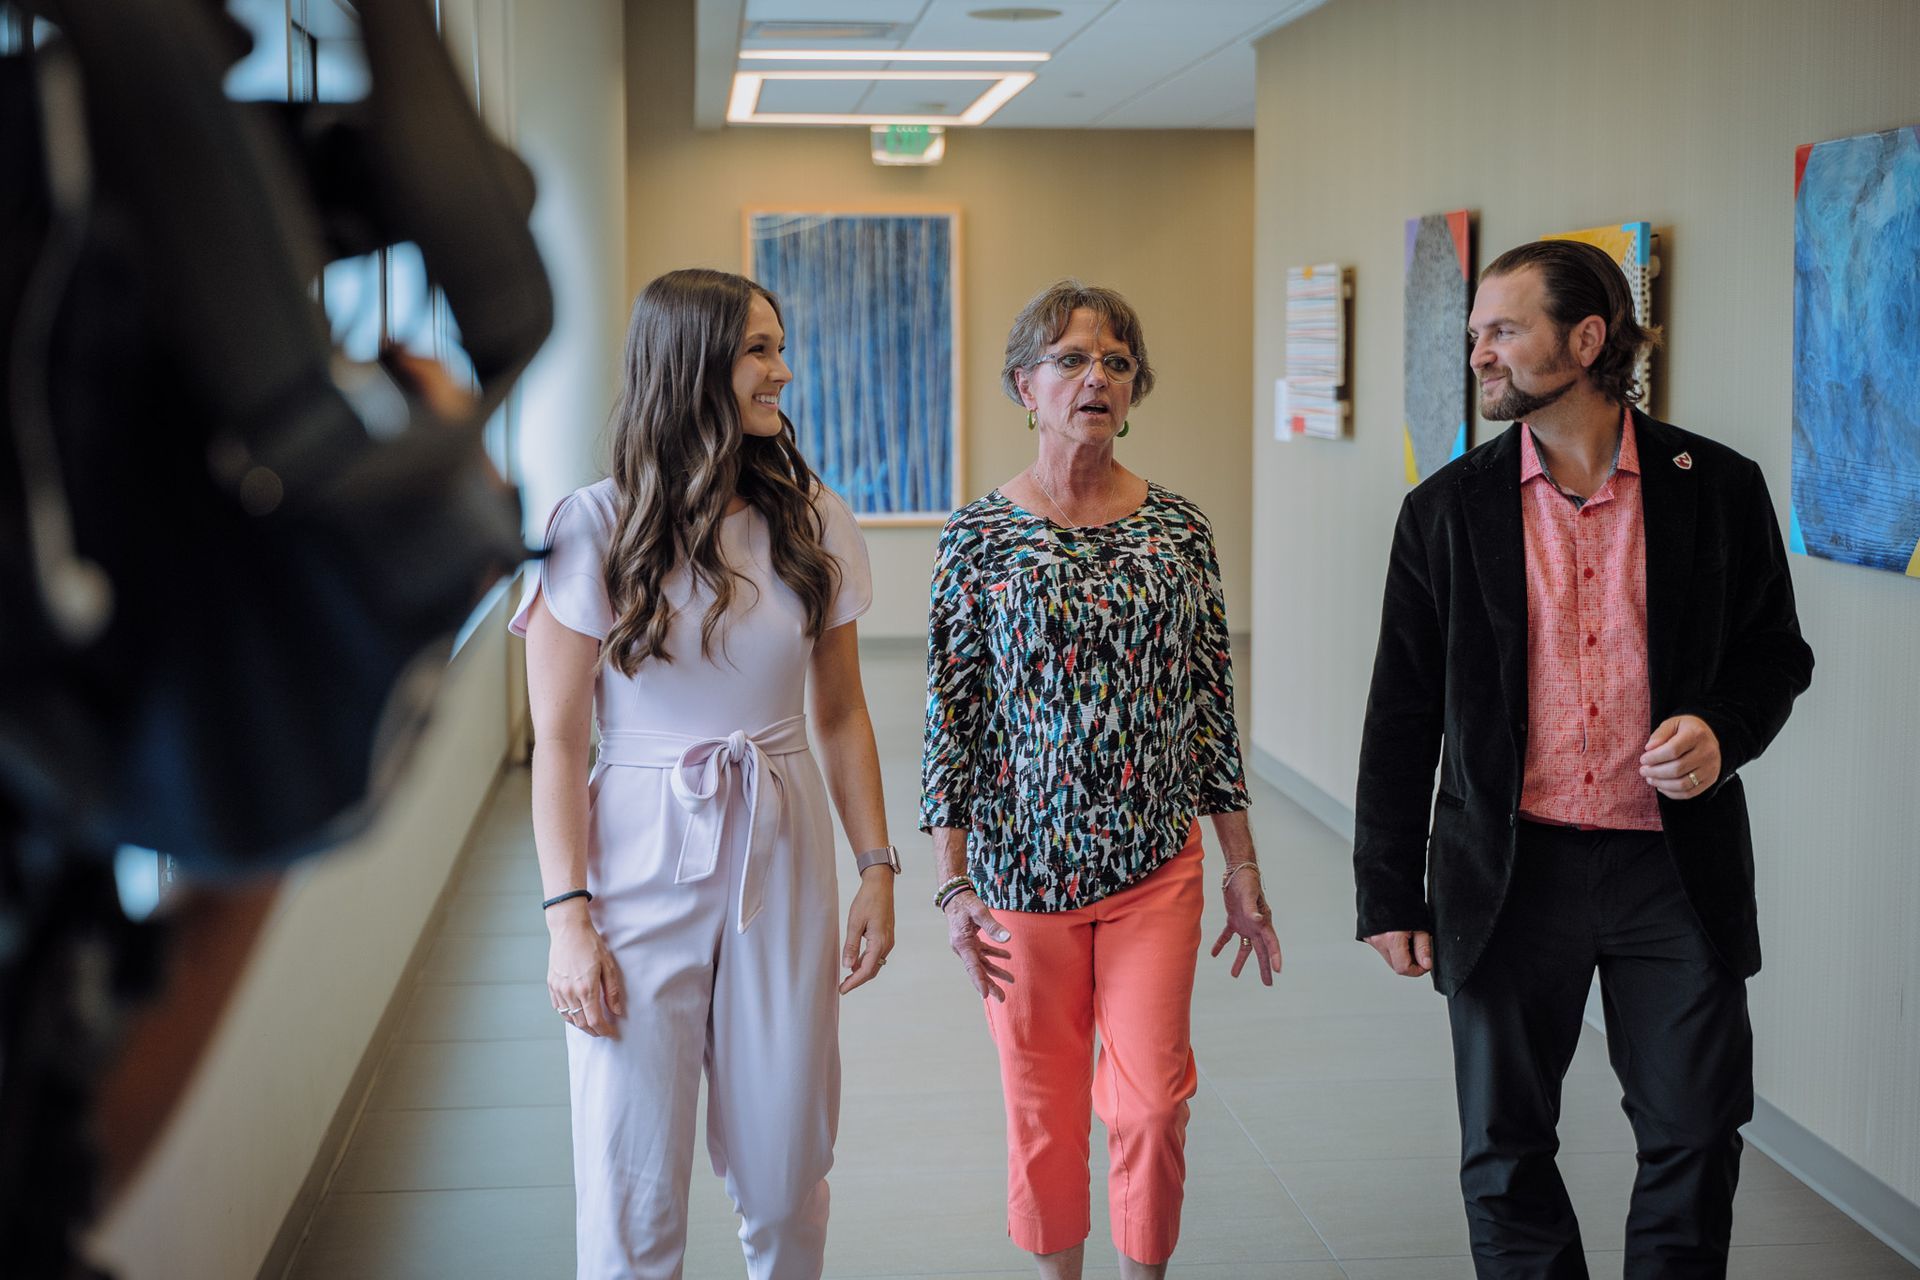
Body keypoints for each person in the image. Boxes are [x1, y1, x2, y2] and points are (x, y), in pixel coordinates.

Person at [1354, 239, 1814, 1278]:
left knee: (1695, 1135)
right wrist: (1388, 887)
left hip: (1671, 870)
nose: (1479, 353)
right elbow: (1401, 709)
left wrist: (1721, 728)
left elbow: (1775, 654)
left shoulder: (1717, 486)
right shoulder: (1445, 512)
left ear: (1589, 338)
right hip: (1509, 872)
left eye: (1502, 331)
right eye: (1474, 333)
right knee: (1506, 1153)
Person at [514, 268, 897, 1280]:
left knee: (784, 1173)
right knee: (633, 1185)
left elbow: (844, 711)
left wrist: (878, 866)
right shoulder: (590, 526)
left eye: (780, 343)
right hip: (637, 852)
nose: (782, 369)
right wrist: (567, 919)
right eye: (758, 350)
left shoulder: (812, 517)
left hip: (782, 844)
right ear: (690, 367)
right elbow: (556, 741)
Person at [921, 279, 1283, 1280]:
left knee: (1153, 1100)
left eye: (1116, 362)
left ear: (1135, 389)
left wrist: (1241, 865)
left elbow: (1212, 704)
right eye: (1072, 359)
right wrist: (952, 882)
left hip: (1153, 864)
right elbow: (952, 716)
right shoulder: (978, 538)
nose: (1096, 377)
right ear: (1024, 386)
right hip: (1018, 876)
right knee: (1041, 1109)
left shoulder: (1177, 532)